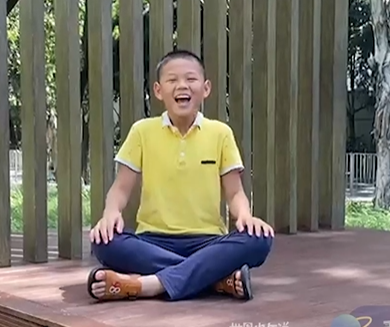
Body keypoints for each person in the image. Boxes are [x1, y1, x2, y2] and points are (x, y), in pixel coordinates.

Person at [87, 49, 274, 302]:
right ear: (158, 90)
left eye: (191, 79)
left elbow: (234, 192)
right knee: (104, 241)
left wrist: (245, 216)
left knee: (259, 239)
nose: (182, 85)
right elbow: (120, 188)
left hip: (208, 242)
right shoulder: (142, 131)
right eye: (172, 80)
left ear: (206, 88)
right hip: (152, 241)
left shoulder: (221, 133)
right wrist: (110, 213)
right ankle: (215, 278)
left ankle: (147, 284)